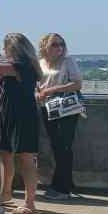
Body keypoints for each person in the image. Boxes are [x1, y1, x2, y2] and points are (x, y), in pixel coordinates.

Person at [0, 33, 43, 214]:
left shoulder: (21, 66)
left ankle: (29, 203)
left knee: (26, 160)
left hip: (22, 118)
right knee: (5, 155)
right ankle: (5, 194)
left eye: (5, 47)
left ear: (13, 48)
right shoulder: (24, 66)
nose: (3, 50)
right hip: (11, 116)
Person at [38, 33, 83, 200]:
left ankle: (61, 188)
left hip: (67, 109)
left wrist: (52, 90)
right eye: (55, 44)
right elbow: (38, 84)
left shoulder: (68, 61)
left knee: (64, 146)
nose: (60, 48)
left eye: (61, 44)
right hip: (47, 108)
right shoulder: (40, 63)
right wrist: (38, 93)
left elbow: (77, 84)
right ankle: (66, 183)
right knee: (57, 146)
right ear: (45, 47)